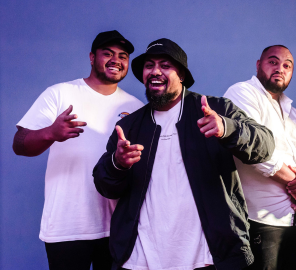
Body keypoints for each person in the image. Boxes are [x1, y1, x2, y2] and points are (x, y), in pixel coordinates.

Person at [92, 38, 275, 270]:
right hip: (140, 259)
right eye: (149, 65)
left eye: (165, 65)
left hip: (207, 257)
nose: (155, 71)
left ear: (182, 75)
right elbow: (104, 186)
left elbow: (265, 146)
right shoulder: (129, 127)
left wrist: (227, 128)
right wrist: (117, 164)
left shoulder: (216, 109)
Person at [12, 30, 143, 270]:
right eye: (108, 53)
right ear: (92, 57)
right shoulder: (61, 94)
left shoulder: (135, 107)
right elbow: (19, 144)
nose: (116, 60)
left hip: (117, 227)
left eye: (122, 56)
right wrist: (49, 133)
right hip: (67, 226)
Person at [224, 45, 296, 270]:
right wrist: (295, 183)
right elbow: (252, 150)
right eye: (273, 62)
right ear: (258, 65)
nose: (280, 69)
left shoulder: (294, 113)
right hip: (261, 224)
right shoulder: (242, 93)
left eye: (287, 65)